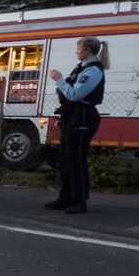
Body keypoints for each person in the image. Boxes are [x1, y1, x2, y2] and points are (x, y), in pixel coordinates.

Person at [46, 36, 106, 214]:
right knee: (65, 159)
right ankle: (65, 197)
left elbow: (74, 94)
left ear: (88, 51)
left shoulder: (93, 71)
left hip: (83, 117)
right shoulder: (82, 68)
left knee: (76, 159)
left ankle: (79, 200)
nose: (76, 52)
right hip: (72, 116)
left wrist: (59, 80)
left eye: (78, 49)